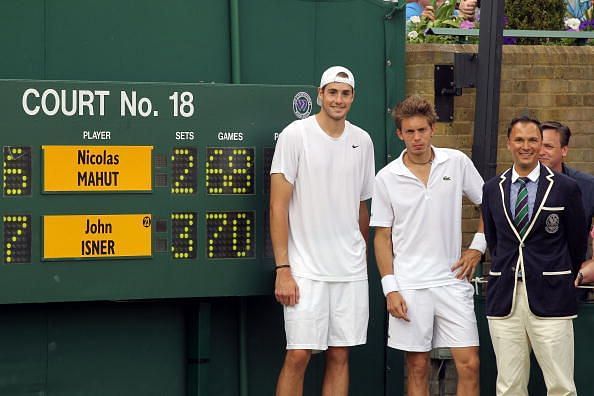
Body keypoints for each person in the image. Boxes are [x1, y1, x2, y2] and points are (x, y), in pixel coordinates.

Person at [270, 66, 375, 396]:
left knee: (340, 355)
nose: (338, 99)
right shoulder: (294, 135)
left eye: (345, 94)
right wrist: (283, 269)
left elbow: (362, 207)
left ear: (353, 98)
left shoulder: (363, 141)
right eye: (332, 92)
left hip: (350, 270)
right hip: (305, 271)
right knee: (299, 355)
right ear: (320, 94)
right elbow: (277, 207)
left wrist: (358, 252)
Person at [371, 95, 484, 396]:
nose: (417, 137)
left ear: (433, 129)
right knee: (418, 368)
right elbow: (381, 236)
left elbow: (491, 206)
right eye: (410, 132)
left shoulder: (457, 162)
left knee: (470, 364)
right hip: (410, 285)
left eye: (422, 130)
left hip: (452, 281)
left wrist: (478, 247)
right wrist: (390, 288)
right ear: (399, 134)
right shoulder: (386, 178)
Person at [481, 116, 587, 396]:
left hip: (552, 296)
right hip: (505, 298)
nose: (525, 146)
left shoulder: (565, 188)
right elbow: (496, 242)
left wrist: (559, 274)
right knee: (509, 385)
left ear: (540, 145)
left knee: (561, 385)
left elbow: (576, 244)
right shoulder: (492, 188)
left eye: (532, 140)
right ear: (508, 143)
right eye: (519, 140)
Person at [538, 121, 594, 286]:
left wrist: (582, 273)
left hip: (573, 284)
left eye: (548, 146)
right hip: (527, 282)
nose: (541, 152)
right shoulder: (515, 185)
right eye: (538, 145)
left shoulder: (587, 186)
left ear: (564, 150)